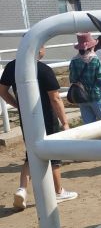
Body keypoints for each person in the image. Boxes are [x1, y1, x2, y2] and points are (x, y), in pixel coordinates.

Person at [0, 45, 77, 210]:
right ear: (37, 49)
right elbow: (55, 98)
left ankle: (22, 189)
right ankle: (58, 191)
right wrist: (64, 122)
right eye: (43, 47)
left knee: (31, 153)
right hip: (46, 119)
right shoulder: (43, 69)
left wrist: (17, 105)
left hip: (26, 118)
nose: (45, 50)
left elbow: (2, 91)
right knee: (53, 154)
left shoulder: (12, 66)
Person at [69, 33, 101, 136]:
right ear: (92, 46)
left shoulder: (74, 61)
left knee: (88, 126)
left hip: (81, 97)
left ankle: (92, 149)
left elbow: (72, 79)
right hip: (96, 96)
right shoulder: (95, 60)